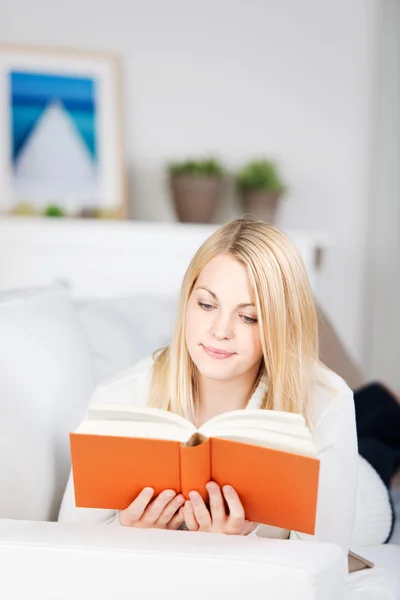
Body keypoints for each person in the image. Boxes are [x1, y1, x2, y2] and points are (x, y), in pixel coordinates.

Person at [58, 218, 394, 553]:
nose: (220, 330)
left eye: (248, 317)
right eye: (206, 304)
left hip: (365, 498)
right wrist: (127, 531)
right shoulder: (118, 396)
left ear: (276, 325)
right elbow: (66, 540)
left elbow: (326, 555)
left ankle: (384, 404)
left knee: (379, 441)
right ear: (187, 300)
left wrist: (240, 544)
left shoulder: (329, 400)